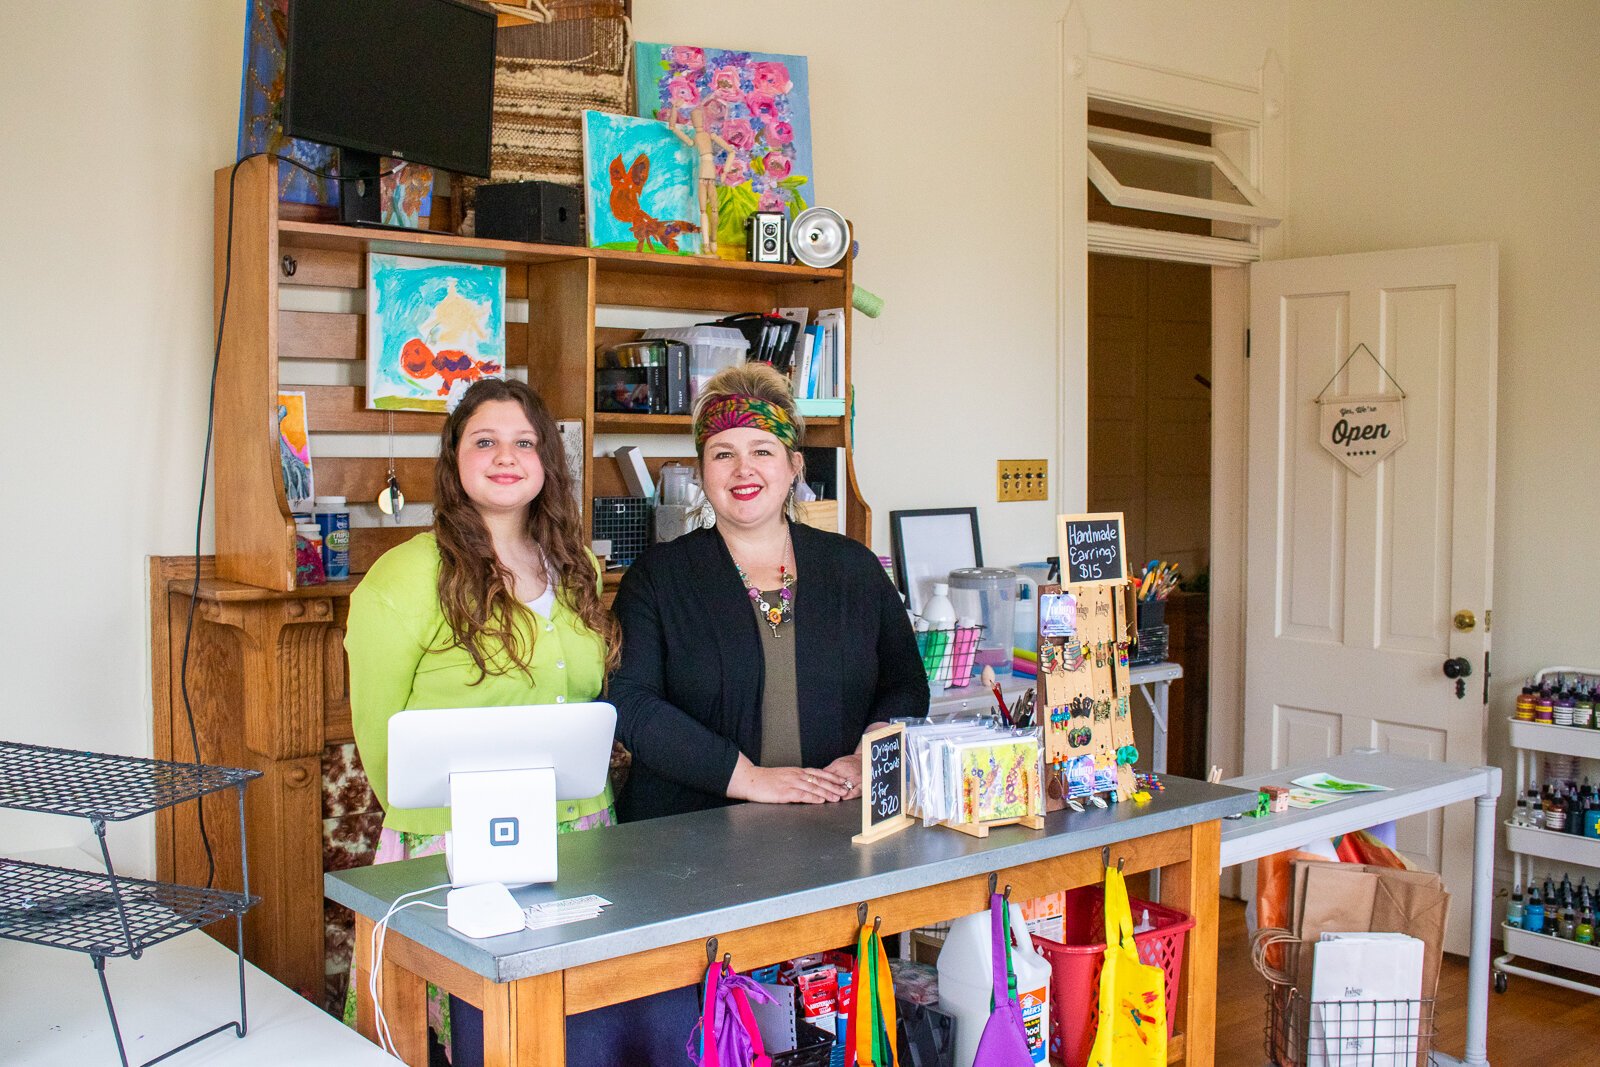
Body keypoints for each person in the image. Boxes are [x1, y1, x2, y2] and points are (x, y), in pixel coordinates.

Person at [344, 377, 618, 1063]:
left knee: (568, 1032)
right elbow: (379, 736)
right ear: (455, 459)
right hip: (452, 850)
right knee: (464, 1034)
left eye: (524, 442)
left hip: (579, 834)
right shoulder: (402, 578)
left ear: (547, 460)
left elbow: (587, 696)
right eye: (485, 441)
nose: (506, 456)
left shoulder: (577, 565)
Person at [611, 361, 929, 823]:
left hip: (837, 823)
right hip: (692, 833)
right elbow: (631, 703)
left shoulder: (853, 568)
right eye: (723, 454)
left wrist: (867, 759)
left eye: (763, 451)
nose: (744, 470)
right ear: (701, 473)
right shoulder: (658, 577)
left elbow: (905, 685)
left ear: (794, 465)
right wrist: (752, 780)